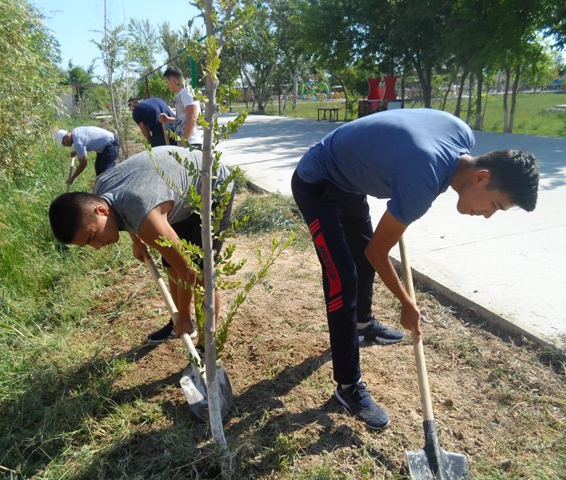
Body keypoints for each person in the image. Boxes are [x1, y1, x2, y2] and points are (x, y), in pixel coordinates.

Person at [291, 108, 539, 431]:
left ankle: (363, 324)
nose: (488, 215)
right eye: (494, 205)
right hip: (318, 180)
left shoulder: (461, 134)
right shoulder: (423, 179)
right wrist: (407, 303)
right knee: (343, 277)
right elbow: (378, 252)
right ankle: (348, 387)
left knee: (363, 254)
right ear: (481, 177)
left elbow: (406, 137)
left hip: (349, 179)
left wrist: (398, 172)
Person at [49, 146, 234, 344]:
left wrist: (185, 317)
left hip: (210, 184)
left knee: (201, 275)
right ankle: (177, 322)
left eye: (92, 237)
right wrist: (137, 242)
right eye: (87, 245)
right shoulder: (101, 190)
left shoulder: (145, 216)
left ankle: (206, 345)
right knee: (172, 264)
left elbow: (189, 271)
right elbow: (122, 210)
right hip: (175, 188)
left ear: (100, 211)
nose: (96, 246)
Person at [160, 66, 204, 148]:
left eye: (167, 82)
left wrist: (184, 141)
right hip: (188, 142)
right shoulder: (181, 94)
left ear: (173, 81)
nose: (167, 85)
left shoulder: (185, 93)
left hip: (191, 143)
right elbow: (184, 119)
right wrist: (169, 119)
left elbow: (192, 117)